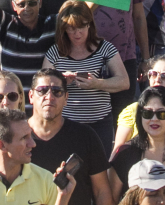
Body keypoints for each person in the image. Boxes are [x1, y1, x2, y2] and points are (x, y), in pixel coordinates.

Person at [43, 0, 129, 152]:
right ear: (63, 29)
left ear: (89, 24)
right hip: (67, 123)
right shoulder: (55, 52)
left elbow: (124, 82)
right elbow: (43, 86)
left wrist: (97, 84)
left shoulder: (105, 48)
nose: (77, 33)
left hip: (100, 123)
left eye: (82, 27)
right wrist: (61, 82)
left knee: (100, 170)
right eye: (71, 29)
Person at [26, 69, 114, 205]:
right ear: (31, 96)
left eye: (57, 91)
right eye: (42, 90)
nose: (49, 97)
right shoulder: (18, 136)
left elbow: (101, 192)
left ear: (66, 98)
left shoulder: (85, 136)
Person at [0, 108, 76, 205]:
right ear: (1, 145)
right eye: (24, 138)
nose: (32, 144)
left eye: (30, 136)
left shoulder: (45, 180)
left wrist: (63, 198)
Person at [106, 86, 165, 200]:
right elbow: (110, 201)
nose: (154, 119)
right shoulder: (124, 154)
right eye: (147, 113)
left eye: (162, 114)